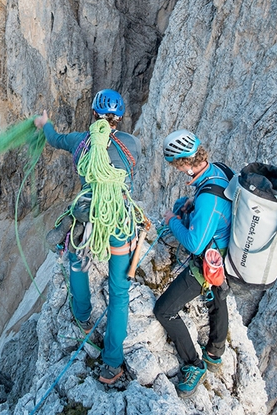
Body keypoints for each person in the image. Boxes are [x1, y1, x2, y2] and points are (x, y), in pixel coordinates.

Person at [34, 89, 142, 385]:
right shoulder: (132, 144)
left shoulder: (79, 142)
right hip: (118, 221)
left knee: (76, 262)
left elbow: (55, 139)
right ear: (119, 118)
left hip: (87, 220)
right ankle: (111, 364)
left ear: (92, 114)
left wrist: (44, 123)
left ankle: (82, 317)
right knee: (119, 293)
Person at [154, 130, 232, 398]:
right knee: (217, 296)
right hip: (223, 250)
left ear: (184, 165)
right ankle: (215, 352)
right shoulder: (217, 170)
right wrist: (192, 202)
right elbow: (215, 201)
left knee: (164, 311)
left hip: (207, 262)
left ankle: (193, 364)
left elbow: (195, 245)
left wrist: (170, 220)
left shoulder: (208, 198)